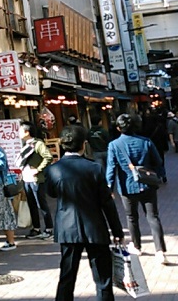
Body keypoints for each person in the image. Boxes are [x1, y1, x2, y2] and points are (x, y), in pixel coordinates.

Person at [46, 125, 124, 301]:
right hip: (94, 227)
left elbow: (51, 193)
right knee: (103, 277)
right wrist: (117, 230)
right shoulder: (94, 168)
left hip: (67, 228)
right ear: (84, 144)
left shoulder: (53, 169)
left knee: (67, 275)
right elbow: (107, 202)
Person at [106, 113, 169, 265]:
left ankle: (137, 246)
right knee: (153, 216)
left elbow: (111, 167)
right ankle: (160, 251)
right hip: (147, 184)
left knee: (131, 217)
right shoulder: (146, 142)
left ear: (118, 128)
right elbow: (158, 161)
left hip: (127, 186)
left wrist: (109, 187)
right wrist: (159, 177)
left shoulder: (114, 145)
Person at [19, 121, 54, 239]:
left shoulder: (38, 143)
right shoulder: (25, 144)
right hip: (26, 178)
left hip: (36, 179)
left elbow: (48, 157)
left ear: (27, 132)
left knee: (41, 204)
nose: (18, 133)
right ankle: (36, 228)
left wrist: (38, 169)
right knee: (31, 204)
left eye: (20, 130)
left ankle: (49, 228)